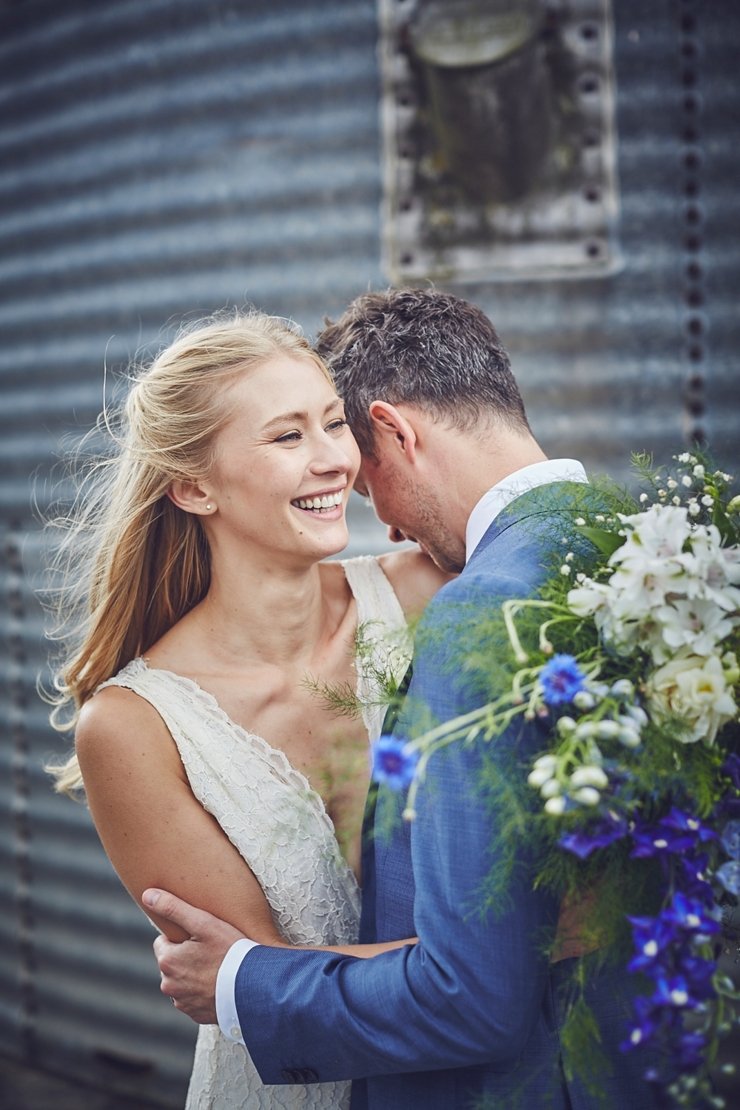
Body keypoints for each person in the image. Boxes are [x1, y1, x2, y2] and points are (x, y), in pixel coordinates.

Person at [146, 289, 658, 1109]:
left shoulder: (475, 612)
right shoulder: (653, 559)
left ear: (394, 432)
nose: (380, 520)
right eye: (289, 433)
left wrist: (244, 981)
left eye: (356, 456)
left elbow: (471, 993)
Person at [45, 309, 450, 1109]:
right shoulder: (134, 727)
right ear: (194, 487)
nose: (335, 460)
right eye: (287, 437)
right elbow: (267, 989)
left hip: (466, 1078)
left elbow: (259, 977)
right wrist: (508, 953)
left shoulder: (425, 596)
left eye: (333, 422)